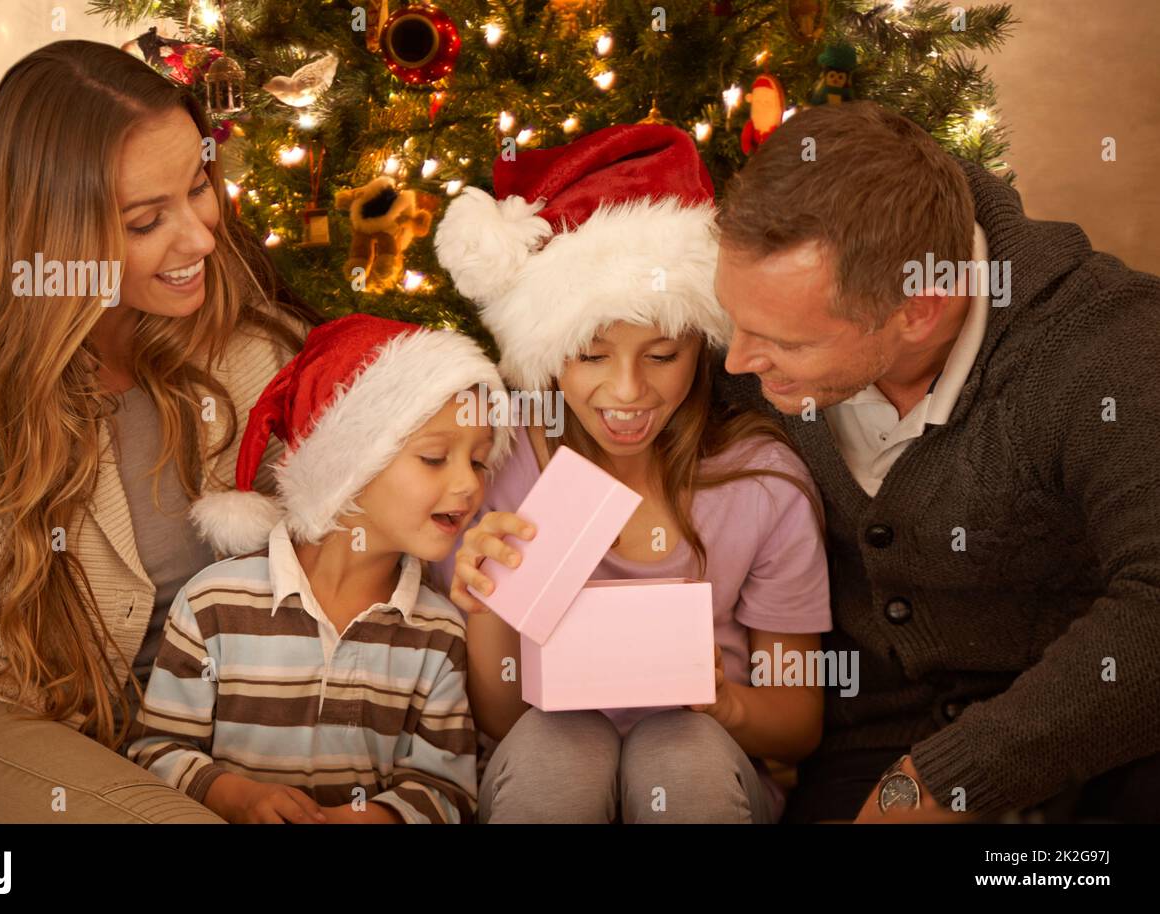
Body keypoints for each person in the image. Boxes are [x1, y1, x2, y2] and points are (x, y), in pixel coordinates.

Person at [0, 40, 319, 824]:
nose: (202, 238)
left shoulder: (253, 345)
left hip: (199, 743)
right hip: (0, 725)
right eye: (147, 220)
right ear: (57, 235)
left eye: (199, 185)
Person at [713, 100, 1160, 823]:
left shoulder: (1111, 346)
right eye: (731, 318)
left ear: (921, 307)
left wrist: (948, 780)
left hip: (1103, 748)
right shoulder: (760, 341)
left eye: (783, 343)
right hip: (867, 753)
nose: (735, 360)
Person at [433, 123, 832, 823]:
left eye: (661, 355)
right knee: (563, 748)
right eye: (591, 356)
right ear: (549, 352)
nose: (627, 394)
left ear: (701, 345)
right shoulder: (500, 463)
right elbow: (500, 718)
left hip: (705, 768)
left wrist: (723, 699)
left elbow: (798, 722)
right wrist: (486, 605)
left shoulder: (759, 485)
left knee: (678, 750)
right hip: (543, 759)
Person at [129, 314, 512, 824]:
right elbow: (154, 753)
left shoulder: (438, 633)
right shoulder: (213, 605)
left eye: (480, 462)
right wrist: (237, 798)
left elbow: (446, 791)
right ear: (347, 464)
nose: (469, 484)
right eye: (435, 458)